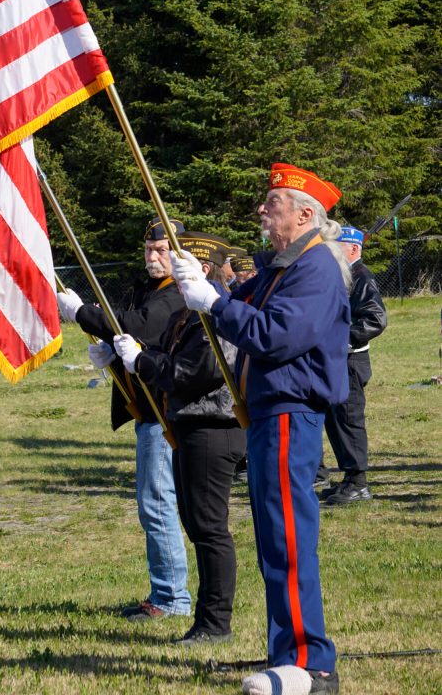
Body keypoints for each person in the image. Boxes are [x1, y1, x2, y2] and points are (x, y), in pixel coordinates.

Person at [170, 163, 350, 695]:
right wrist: (201, 284)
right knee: (275, 537)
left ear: (304, 213)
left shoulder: (314, 268)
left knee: (288, 537)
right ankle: (288, 654)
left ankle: (310, 663)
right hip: (270, 412)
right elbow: (238, 303)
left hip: (291, 411)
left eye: (272, 203)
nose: (262, 212)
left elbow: (274, 335)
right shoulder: (282, 266)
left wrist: (216, 303)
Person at [113, 231, 246, 646]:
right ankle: (206, 617)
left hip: (213, 427)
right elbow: (174, 361)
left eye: (182, 263)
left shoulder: (214, 315)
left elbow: (191, 372)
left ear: (202, 269)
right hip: (190, 424)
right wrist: (128, 360)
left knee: (209, 528)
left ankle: (213, 620)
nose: (172, 269)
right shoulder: (190, 312)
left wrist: (141, 362)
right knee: (196, 523)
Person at [56, 217, 191, 622]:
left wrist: (83, 313)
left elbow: (137, 326)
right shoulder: (147, 288)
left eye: (163, 249)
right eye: (150, 249)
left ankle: (172, 599)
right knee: (154, 502)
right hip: (147, 408)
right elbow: (135, 338)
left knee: (157, 503)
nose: (154, 255)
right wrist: (112, 355)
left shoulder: (178, 292)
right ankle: (165, 592)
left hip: (163, 410)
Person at [322, 226, 387, 506]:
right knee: (336, 420)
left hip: (350, 359)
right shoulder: (344, 275)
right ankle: (349, 478)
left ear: (353, 249)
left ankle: (359, 482)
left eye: (337, 247)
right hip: (338, 359)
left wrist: (341, 340)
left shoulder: (361, 277)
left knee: (349, 419)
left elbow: (376, 319)